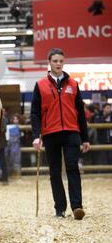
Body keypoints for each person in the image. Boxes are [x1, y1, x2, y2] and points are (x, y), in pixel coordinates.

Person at [31, 48, 90, 220]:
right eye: (55, 61)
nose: (58, 64)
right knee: (55, 172)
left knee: (73, 168)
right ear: (49, 62)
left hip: (72, 132)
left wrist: (85, 138)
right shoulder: (40, 85)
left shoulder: (73, 84)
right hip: (50, 133)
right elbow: (35, 113)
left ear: (63, 62)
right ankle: (60, 209)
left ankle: (77, 206)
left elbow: (80, 111)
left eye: (61, 61)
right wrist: (36, 135)